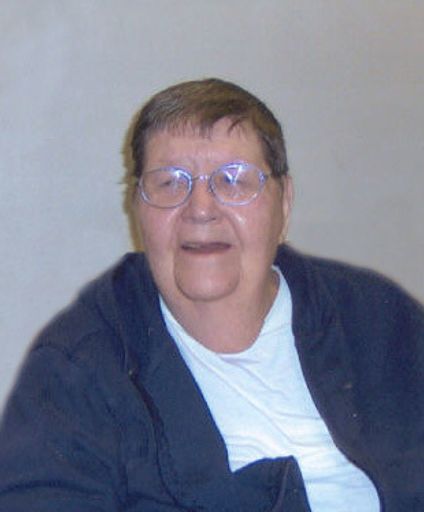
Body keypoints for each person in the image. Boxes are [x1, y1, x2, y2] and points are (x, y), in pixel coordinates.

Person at [0, 78, 423, 512]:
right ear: (138, 210)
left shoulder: (382, 323)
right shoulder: (78, 369)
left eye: (234, 180)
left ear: (284, 205)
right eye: (170, 183)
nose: (201, 209)